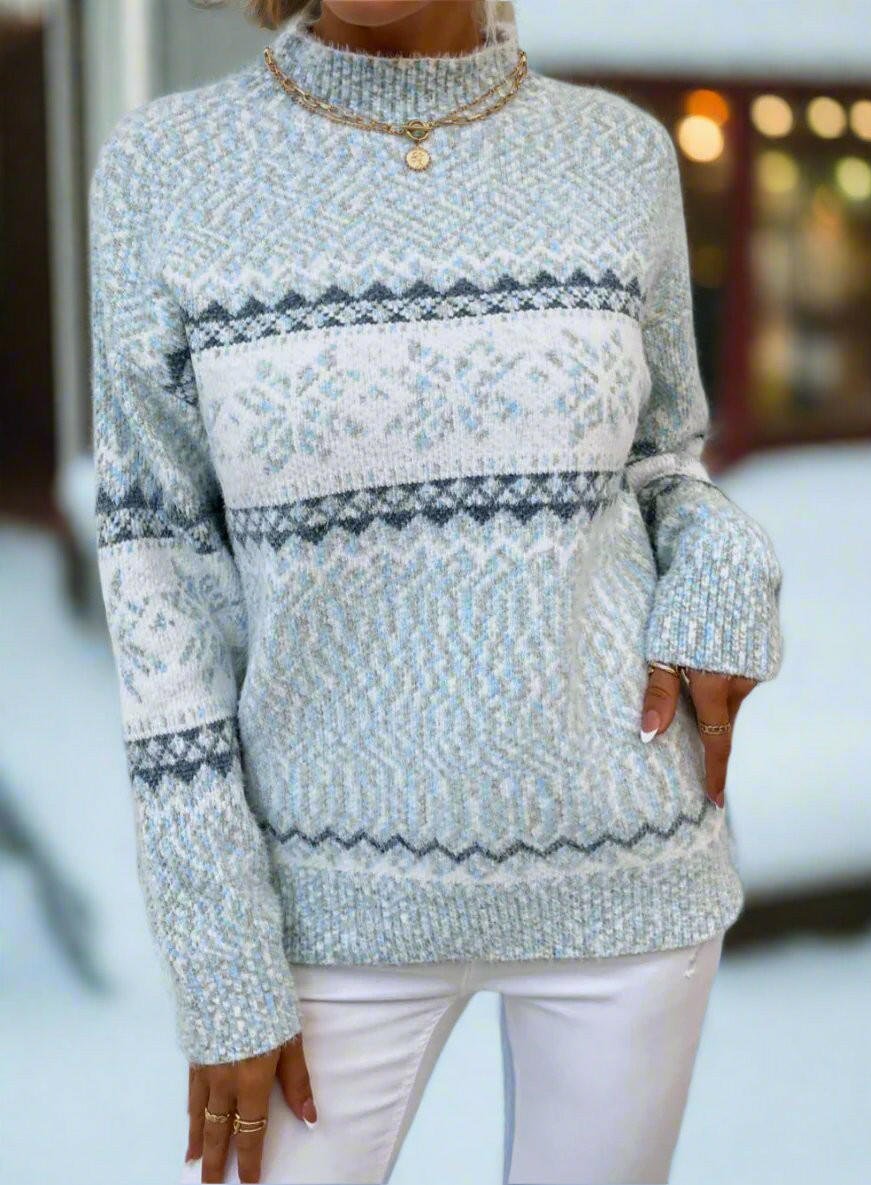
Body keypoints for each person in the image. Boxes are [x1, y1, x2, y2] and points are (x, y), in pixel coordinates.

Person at [88, 1, 785, 1181]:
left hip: (622, 867)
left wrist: (719, 566)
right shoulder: (165, 167)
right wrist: (219, 953)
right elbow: (154, 556)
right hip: (321, 901)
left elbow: (662, 460)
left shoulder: (618, 154)